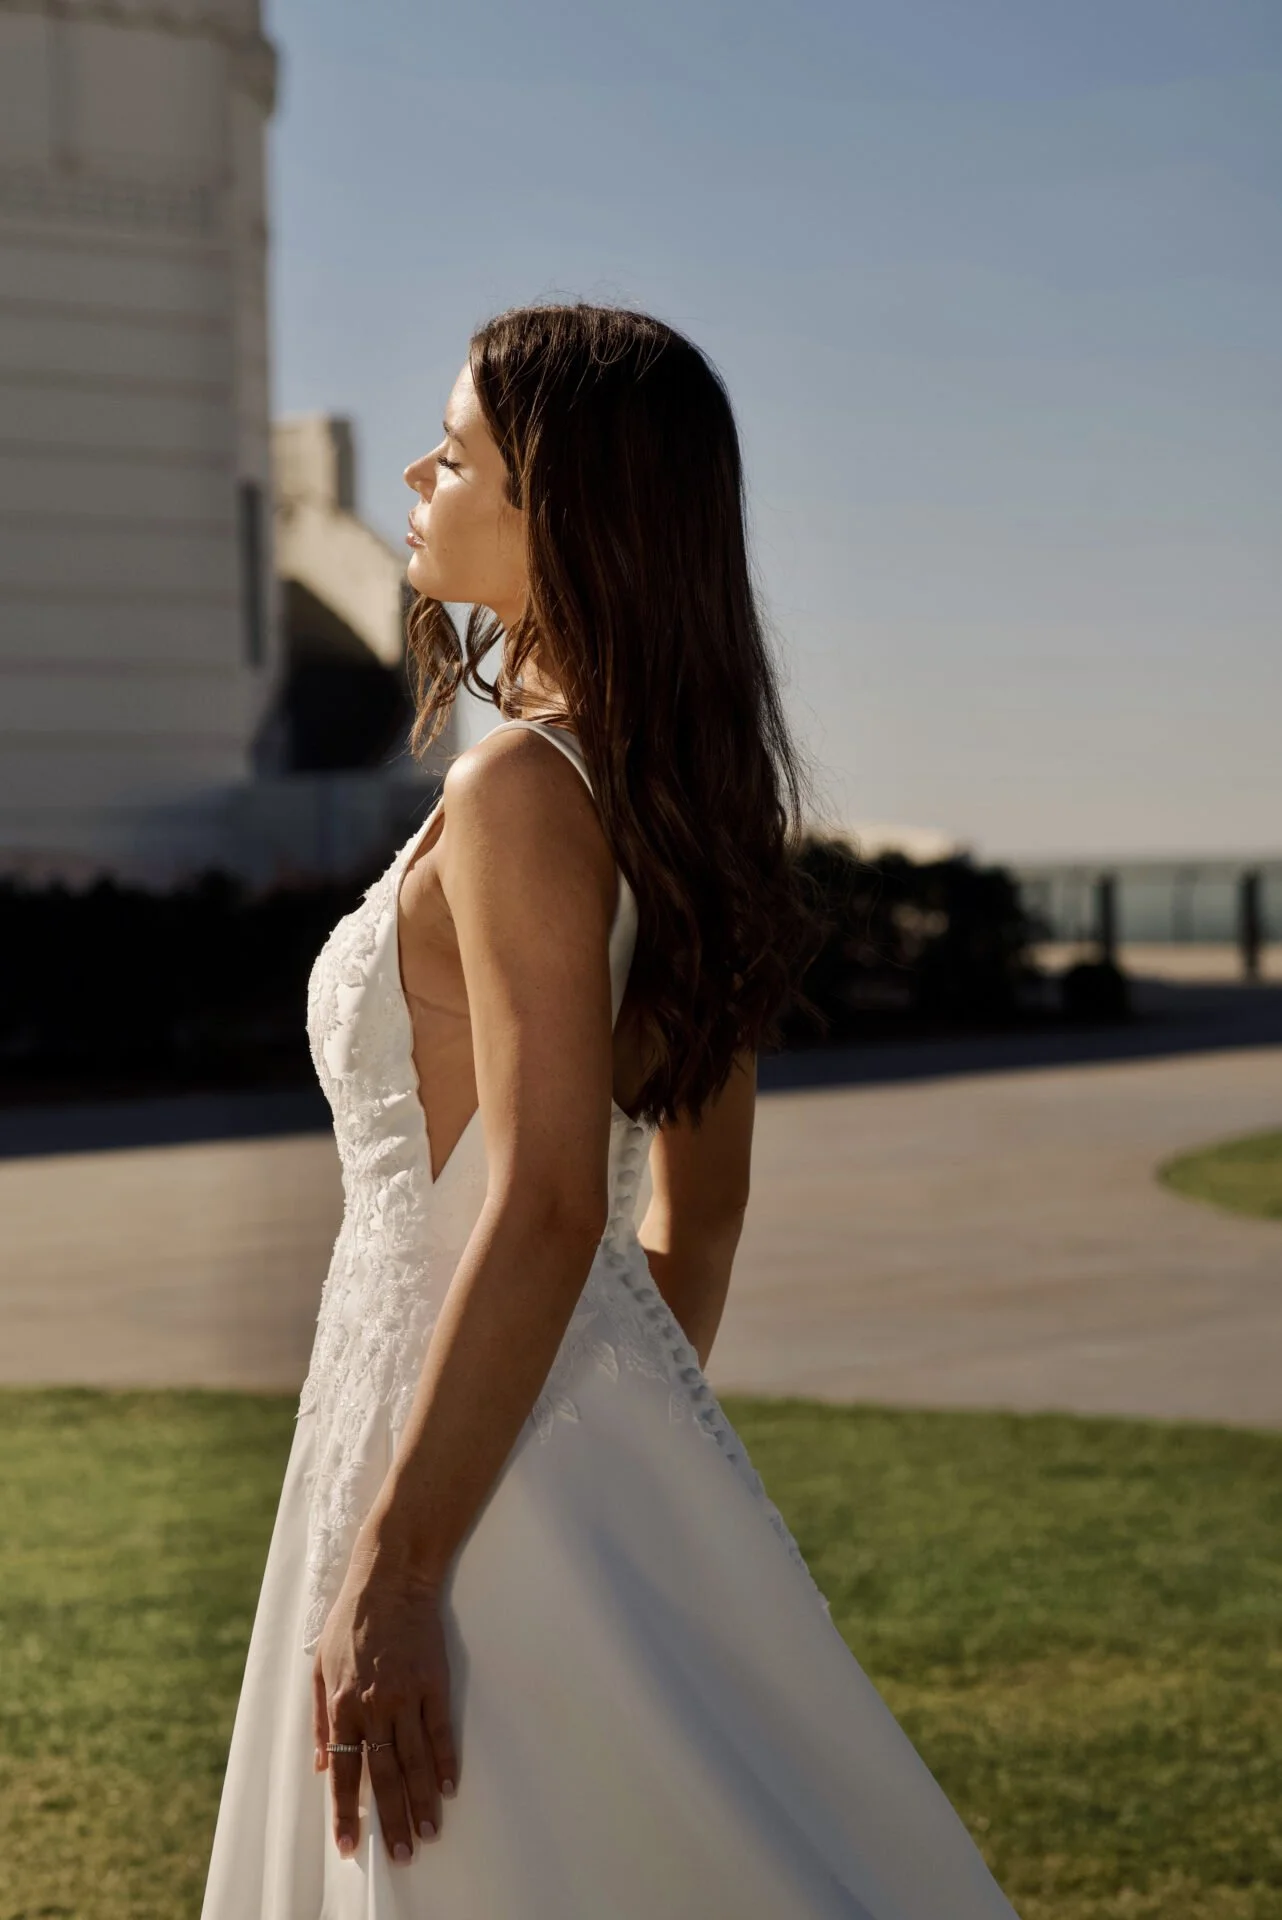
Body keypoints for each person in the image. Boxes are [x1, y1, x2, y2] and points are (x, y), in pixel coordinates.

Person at [201, 302, 1019, 1917]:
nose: (424, 474)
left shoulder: (514, 792)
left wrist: (406, 1560)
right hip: (545, 1452)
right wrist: (615, 1458)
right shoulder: (677, 802)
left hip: (441, 1479)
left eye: (464, 450)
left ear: (558, 513)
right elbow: (689, 1225)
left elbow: (555, 1200)